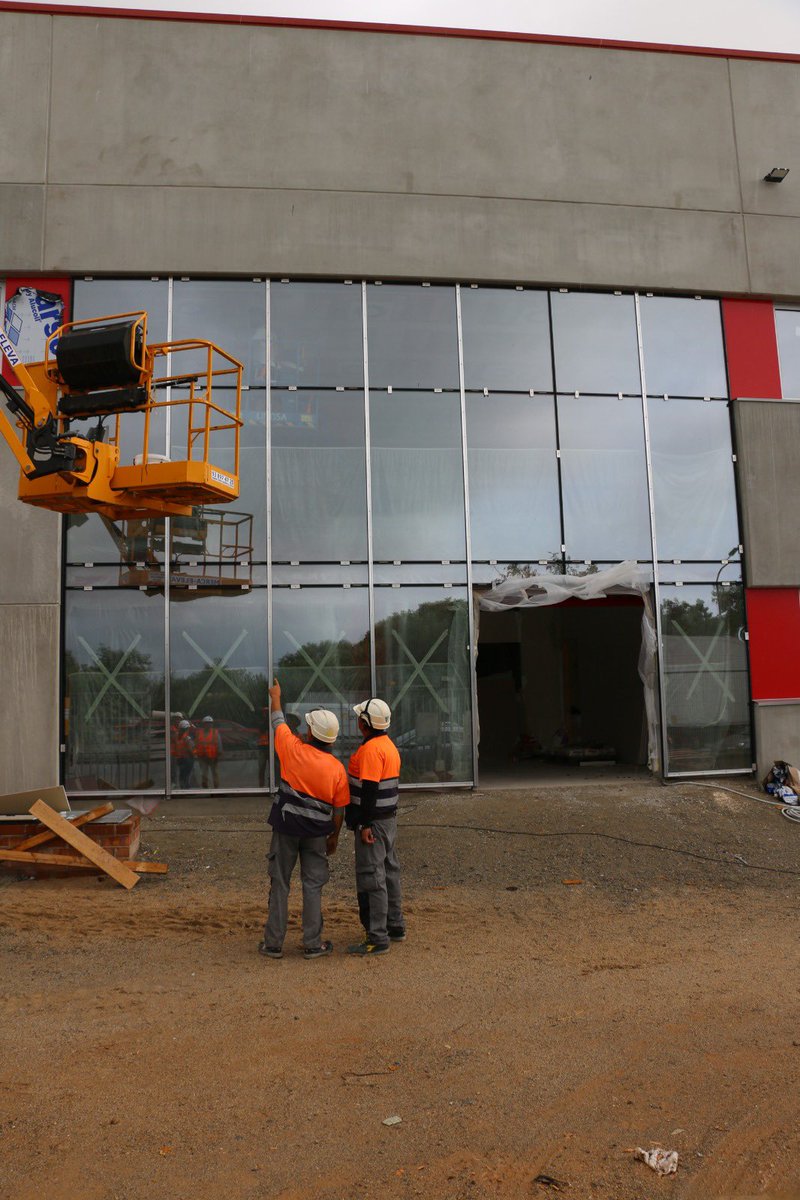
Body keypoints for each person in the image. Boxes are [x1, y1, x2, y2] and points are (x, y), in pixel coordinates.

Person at [259, 679, 349, 961]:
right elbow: (339, 810)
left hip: (286, 829)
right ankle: (312, 944)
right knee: (312, 885)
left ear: (310, 732)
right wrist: (333, 837)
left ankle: (273, 944)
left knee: (280, 883)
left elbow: (278, 721)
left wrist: (276, 696)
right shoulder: (337, 769)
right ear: (331, 739)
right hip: (317, 834)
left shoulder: (292, 749)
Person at [346, 697, 405, 956]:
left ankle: (377, 936)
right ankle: (395, 925)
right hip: (388, 820)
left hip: (375, 823)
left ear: (365, 723)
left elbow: (369, 789)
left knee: (372, 876)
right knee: (389, 871)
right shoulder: (388, 745)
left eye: (360, 718)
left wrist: (365, 823)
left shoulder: (371, 750)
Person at [195, 714, 223, 789]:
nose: (209, 725)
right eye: (207, 723)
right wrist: (197, 754)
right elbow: (196, 744)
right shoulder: (199, 733)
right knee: (204, 773)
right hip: (202, 757)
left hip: (213, 757)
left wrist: (219, 754)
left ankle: (216, 788)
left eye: (210, 723)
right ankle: (205, 788)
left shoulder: (215, 732)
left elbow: (219, 744)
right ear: (204, 724)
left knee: (215, 773)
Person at [174, 719, 196, 789]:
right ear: (186, 728)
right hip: (187, 759)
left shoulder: (177, 736)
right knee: (187, 775)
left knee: (182, 775)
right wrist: (194, 755)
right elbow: (190, 749)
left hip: (180, 758)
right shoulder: (186, 738)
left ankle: (182, 788)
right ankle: (186, 789)